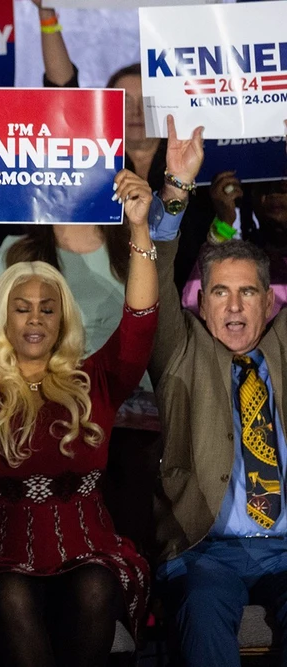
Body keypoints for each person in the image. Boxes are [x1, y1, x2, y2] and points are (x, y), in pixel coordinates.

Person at [0, 166, 160, 667]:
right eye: (22, 308)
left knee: (94, 586)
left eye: (48, 309)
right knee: (9, 595)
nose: (35, 319)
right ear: (4, 315)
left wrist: (138, 228)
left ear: (63, 319)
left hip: (90, 551)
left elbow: (139, 322)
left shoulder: (97, 379)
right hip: (3, 557)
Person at [149, 127, 287, 665]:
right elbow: (156, 274)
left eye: (247, 291)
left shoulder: (282, 345)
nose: (234, 306)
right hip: (208, 550)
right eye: (221, 292)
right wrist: (178, 187)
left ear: (268, 303)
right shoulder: (180, 348)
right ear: (201, 303)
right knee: (204, 613)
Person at [32, 0, 213, 291]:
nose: (136, 112)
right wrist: (46, 13)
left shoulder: (191, 158)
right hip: (110, 295)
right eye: (125, 102)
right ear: (107, 110)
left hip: (181, 294)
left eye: (145, 102)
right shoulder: (95, 160)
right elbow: (63, 91)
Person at [181, 177, 287, 317]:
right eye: (264, 185)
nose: (273, 193)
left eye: (283, 185)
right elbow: (196, 305)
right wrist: (224, 223)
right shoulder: (244, 257)